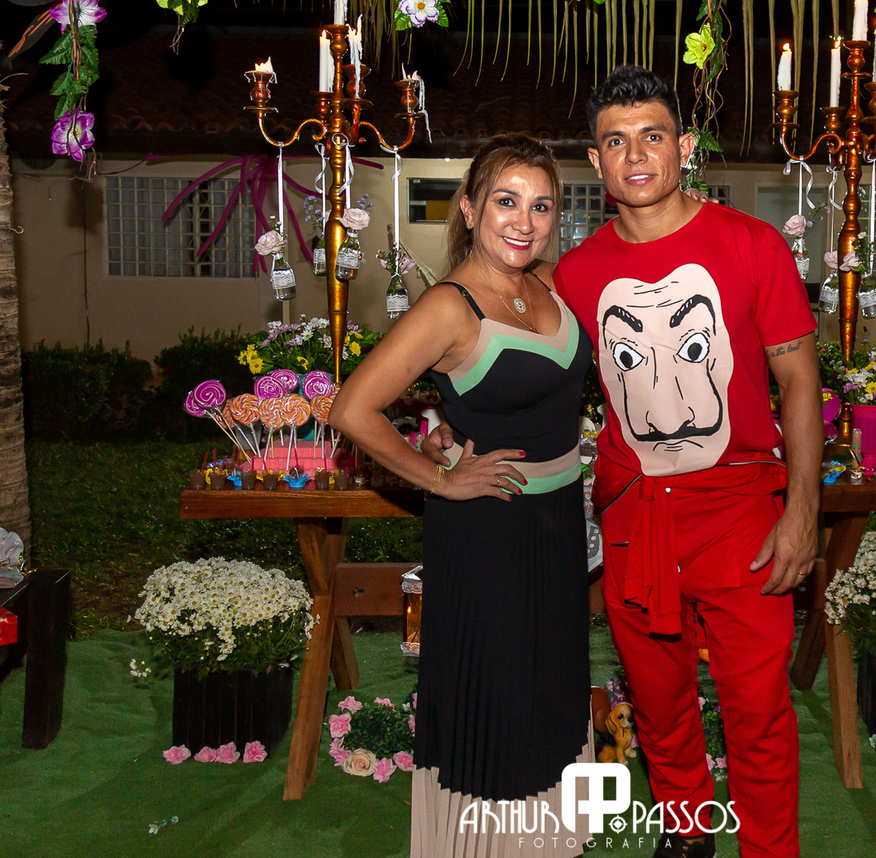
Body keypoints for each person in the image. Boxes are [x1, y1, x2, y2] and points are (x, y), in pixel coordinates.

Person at [556, 66, 822, 858]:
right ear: (596, 162)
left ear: (685, 146)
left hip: (741, 510)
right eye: (616, 142)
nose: (636, 155)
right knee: (659, 700)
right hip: (636, 513)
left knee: (757, 708)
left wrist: (803, 512)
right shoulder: (575, 274)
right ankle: (687, 831)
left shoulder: (751, 245)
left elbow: (799, 381)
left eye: (652, 135)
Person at [329, 133, 594, 858]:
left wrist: (442, 422)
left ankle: (550, 845)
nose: (524, 221)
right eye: (506, 201)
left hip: (558, 525)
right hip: (489, 531)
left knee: (551, 693)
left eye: (542, 206)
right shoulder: (449, 306)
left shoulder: (550, 282)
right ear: (471, 209)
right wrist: (440, 478)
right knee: (497, 701)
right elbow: (352, 409)